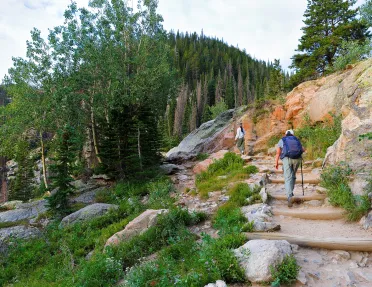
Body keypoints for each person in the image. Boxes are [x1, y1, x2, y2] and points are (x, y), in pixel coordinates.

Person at [275, 129, 305, 207]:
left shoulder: (282, 140)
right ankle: (291, 193)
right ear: (293, 134)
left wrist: (276, 162)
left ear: (285, 134)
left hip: (287, 159)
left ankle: (289, 197)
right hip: (297, 159)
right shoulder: (296, 139)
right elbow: (303, 149)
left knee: (288, 177)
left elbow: (278, 152)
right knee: (293, 176)